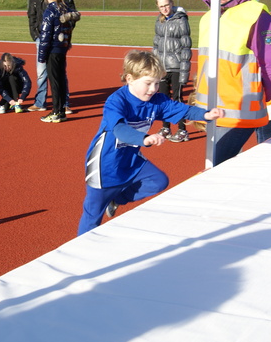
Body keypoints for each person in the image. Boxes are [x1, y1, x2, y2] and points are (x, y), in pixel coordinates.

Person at [77, 50, 224, 235]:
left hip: (131, 159)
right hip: (104, 165)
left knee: (158, 181)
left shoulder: (156, 100)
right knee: (92, 215)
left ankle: (117, 199)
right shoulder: (116, 101)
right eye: (148, 83)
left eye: (157, 83)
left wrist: (205, 114)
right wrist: (144, 139)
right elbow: (119, 130)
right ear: (130, 78)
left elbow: (182, 110)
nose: (153, 89)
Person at [194, 0, 271, 166]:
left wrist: (267, 96)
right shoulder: (209, 18)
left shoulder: (256, 15)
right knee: (224, 166)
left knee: (217, 165)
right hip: (211, 108)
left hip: (239, 108)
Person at [27, 0, 76, 114]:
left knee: (58, 72)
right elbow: (32, 15)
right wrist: (35, 33)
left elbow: (72, 15)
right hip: (41, 37)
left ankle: (64, 103)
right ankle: (40, 102)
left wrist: (64, 32)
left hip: (58, 40)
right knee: (41, 71)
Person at [152, 0, 193, 143]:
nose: (164, 9)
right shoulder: (159, 21)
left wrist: (184, 73)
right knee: (162, 99)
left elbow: (186, 47)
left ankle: (182, 130)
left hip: (176, 67)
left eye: (167, 5)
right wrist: (155, 66)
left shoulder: (181, 20)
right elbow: (156, 45)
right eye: (161, 6)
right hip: (162, 68)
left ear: (172, 3)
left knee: (177, 99)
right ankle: (165, 127)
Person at [38, 0, 79, 123]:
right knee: (61, 80)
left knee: (55, 81)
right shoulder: (65, 8)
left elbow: (45, 35)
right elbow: (75, 16)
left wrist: (41, 56)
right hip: (62, 48)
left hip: (53, 49)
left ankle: (56, 111)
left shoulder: (50, 11)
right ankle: (61, 110)